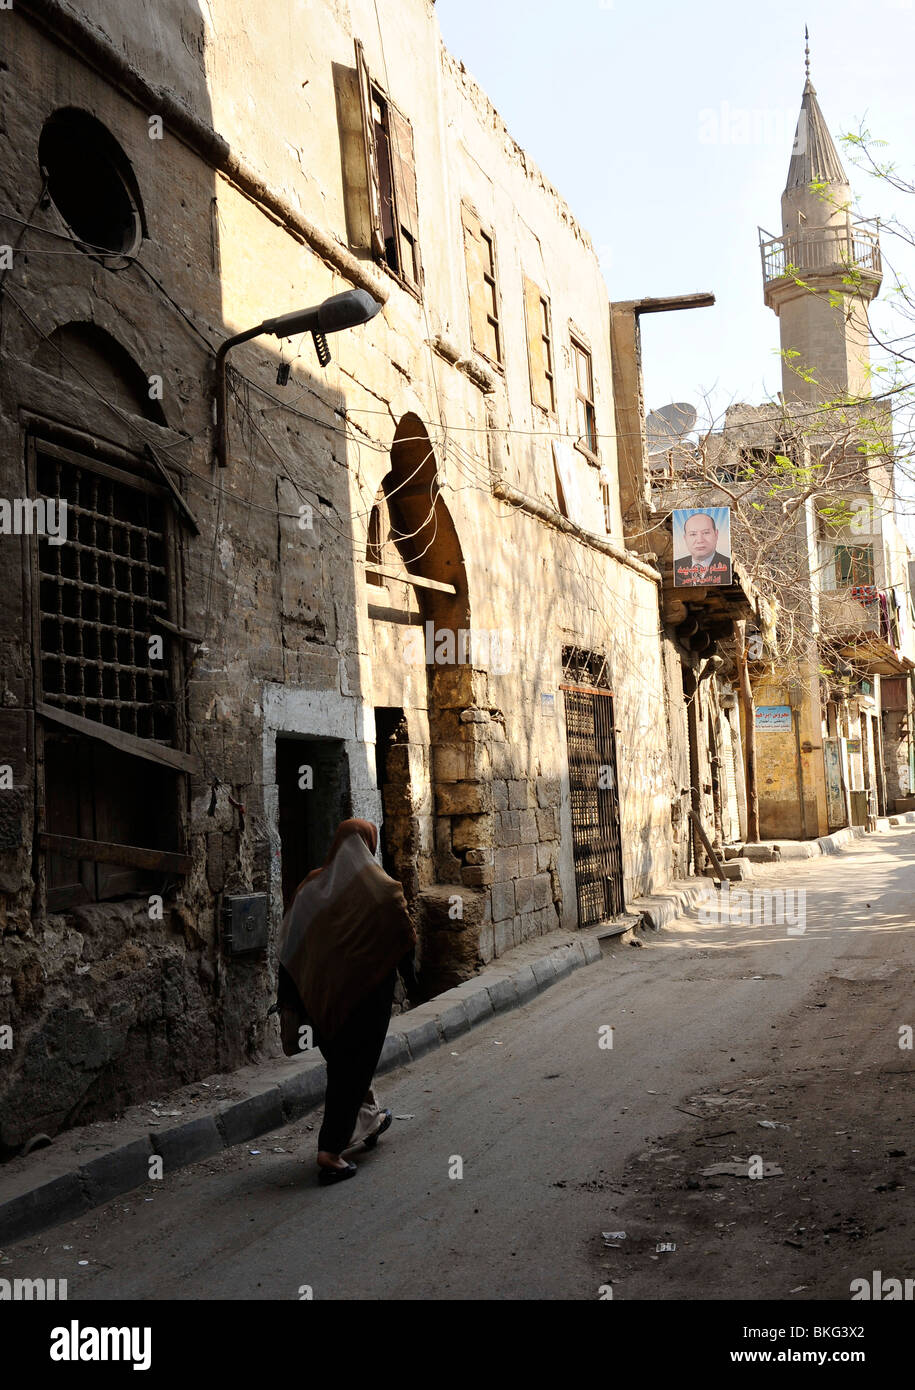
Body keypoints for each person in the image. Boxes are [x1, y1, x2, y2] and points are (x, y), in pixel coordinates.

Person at [276, 819, 417, 1186]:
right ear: (368, 846)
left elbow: (289, 946)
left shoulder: (310, 888)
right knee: (350, 1070)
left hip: (322, 1005)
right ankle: (331, 1150)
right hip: (366, 1005)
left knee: (345, 1066)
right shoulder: (383, 892)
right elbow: (404, 938)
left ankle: (368, 1117)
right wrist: (413, 986)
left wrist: (293, 1001)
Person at [673, 512, 732, 587]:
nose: (700, 540)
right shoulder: (676, 566)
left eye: (706, 533)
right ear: (685, 538)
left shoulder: (728, 565)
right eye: (693, 534)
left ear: (716, 534)